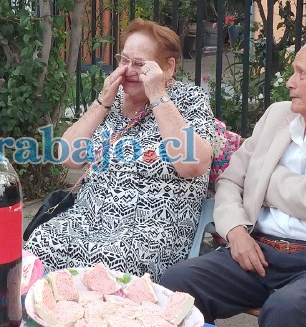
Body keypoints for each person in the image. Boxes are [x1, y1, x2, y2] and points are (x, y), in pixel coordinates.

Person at [161, 37, 306, 326]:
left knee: (288, 309)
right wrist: (235, 232)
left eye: (301, 73)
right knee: (177, 283)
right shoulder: (277, 115)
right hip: (259, 250)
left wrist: (262, 180)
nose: (290, 82)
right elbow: (231, 181)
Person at [24, 18, 216, 279]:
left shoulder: (189, 100)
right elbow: (67, 157)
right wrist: (102, 101)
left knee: (114, 263)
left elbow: (192, 165)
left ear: (168, 67)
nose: (128, 71)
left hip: (150, 229)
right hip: (88, 218)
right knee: (40, 242)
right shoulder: (112, 102)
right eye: (123, 60)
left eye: (140, 65)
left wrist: (158, 95)